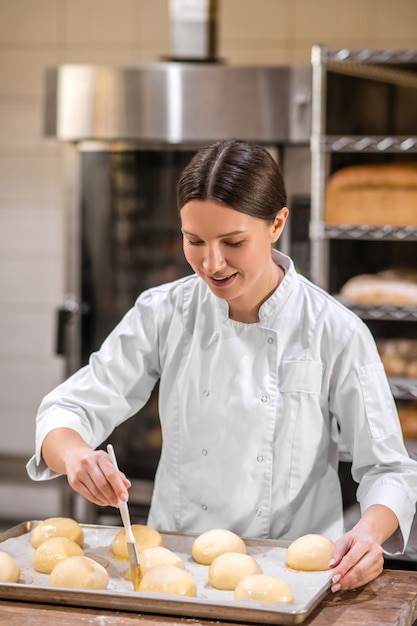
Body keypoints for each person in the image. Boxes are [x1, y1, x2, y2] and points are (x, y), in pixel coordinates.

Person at [27, 139, 417, 594]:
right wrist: (76, 456)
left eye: (233, 242)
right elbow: (68, 409)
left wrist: (369, 534)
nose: (212, 264)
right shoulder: (164, 312)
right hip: (172, 572)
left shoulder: (334, 330)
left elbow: (388, 470)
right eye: (194, 241)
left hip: (295, 578)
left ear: (277, 223)